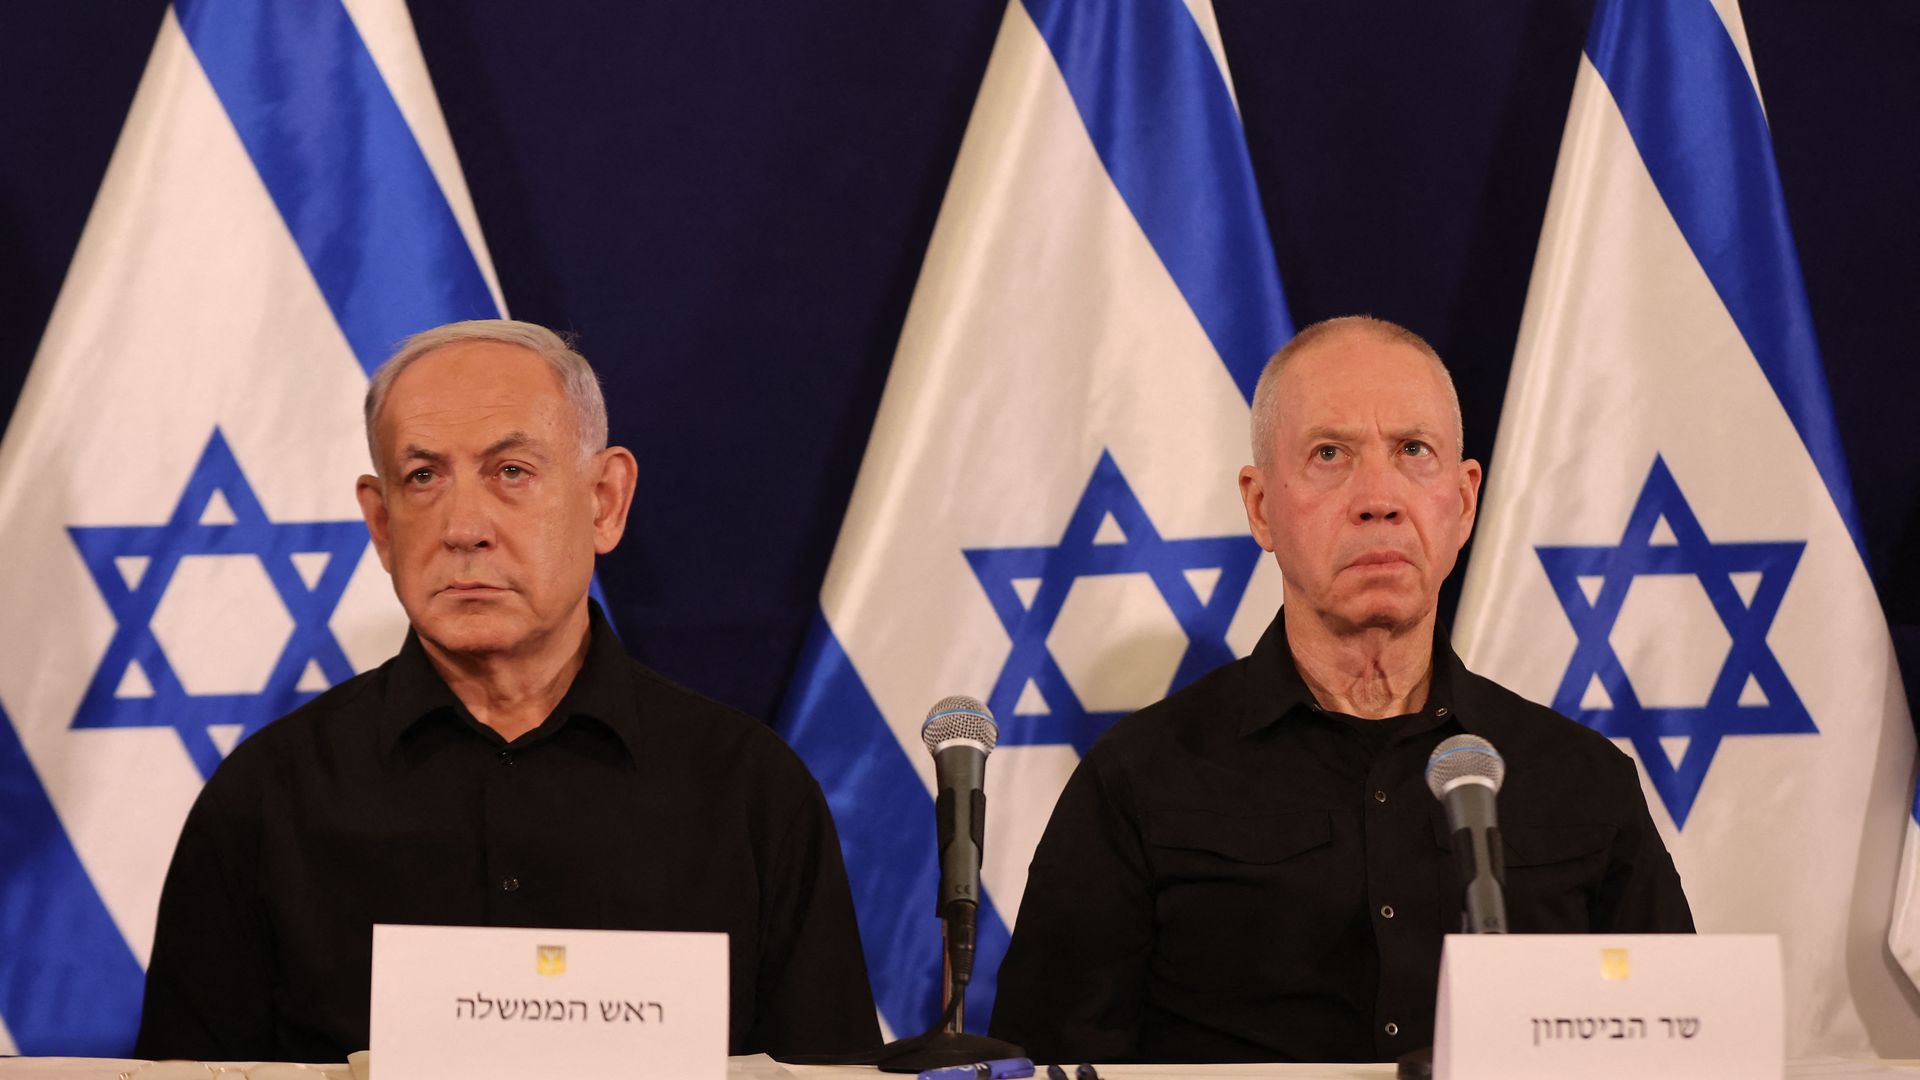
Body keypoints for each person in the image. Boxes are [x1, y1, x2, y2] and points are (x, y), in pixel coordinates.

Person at [136, 320, 879, 1062]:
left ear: (605, 501)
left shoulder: (749, 793)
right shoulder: (266, 800)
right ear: (382, 522)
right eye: (423, 477)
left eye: (511, 472)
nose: (464, 527)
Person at [989, 316, 1692, 1064]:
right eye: (1330, 454)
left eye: (1413, 451)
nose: (1378, 498)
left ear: (1464, 502)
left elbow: (1676, 1051)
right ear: (1261, 507)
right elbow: (1044, 1063)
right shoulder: (1138, 780)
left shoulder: (1582, 781)